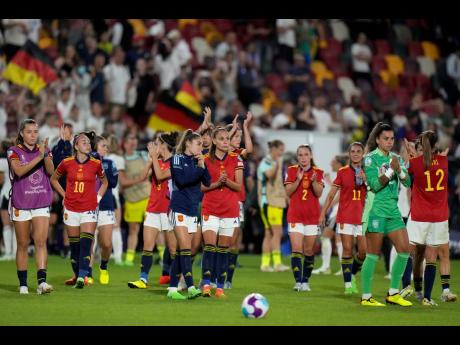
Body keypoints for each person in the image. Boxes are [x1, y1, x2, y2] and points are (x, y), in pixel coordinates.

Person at [360, 122, 412, 307]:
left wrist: (399, 170)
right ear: (377, 140)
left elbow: (407, 183)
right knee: (372, 254)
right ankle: (366, 296)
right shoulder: (369, 159)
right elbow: (375, 184)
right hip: (377, 212)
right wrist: (392, 170)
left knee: (405, 250)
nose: (390, 142)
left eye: (392, 139)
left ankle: (393, 293)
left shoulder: (395, 158)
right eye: (386, 139)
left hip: (393, 211)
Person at [403, 132, 456, 305]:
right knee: (432, 256)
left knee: (408, 252)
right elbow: (451, 183)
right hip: (438, 217)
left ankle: (404, 287)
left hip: (419, 215)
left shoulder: (415, 163)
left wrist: (411, 155)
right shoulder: (443, 162)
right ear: (435, 146)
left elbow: (405, 178)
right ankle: (426, 297)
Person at [50, 131, 108, 289]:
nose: (88, 144)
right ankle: (77, 275)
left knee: (85, 243)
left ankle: (83, 276)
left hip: (89, 208)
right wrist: (64, 195)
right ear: (75, 146)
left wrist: (97, 198)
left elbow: (105, 183)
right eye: (84, 142)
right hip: (71, 208)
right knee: (74, 247)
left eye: (89, 142)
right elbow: (53, 179)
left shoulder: (96, 163)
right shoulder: (66, 162)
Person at [7, 119, 55, 294]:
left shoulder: (44, 150)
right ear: (21, 133)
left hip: (41, 200)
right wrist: (39, 157)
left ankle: (42, 283)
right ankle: (23, 284)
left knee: (41, 242)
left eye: (35, 131)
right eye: (29, 132)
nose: (33, 135)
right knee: (22, 244)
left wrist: (46, 155)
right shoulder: (13, 151)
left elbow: (50, 172)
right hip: (21, 202)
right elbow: (19, 171)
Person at [128, 132, 178, 289]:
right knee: (147, 246)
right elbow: (143, 177)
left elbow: (161, 176)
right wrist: (150, 161)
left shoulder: (174, 162)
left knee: (173, 249)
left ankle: (180, 279)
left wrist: (153, 159)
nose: (154, 146)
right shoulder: (155, 160)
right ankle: (143, 279)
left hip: (169, 210)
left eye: (156, 143)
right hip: (153, 209)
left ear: (163, 145)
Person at [167, 130, 210, 300]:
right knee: (184, 248)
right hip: (179, 208)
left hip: (193, 210)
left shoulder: (197, 161)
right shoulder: (177, 159)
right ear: (188, 144)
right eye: (198, 143)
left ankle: (171, 289)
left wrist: (202, 165)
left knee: (183, 252)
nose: (201, 146)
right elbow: (182, 180)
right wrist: (199, 169)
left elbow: (207, 181)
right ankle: (191, 286)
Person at [319, 142, 367, 295]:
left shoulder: (368, 171)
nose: (355, 154)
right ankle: (348, 284)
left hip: (363, 217)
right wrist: (322, 213)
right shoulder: (343, 172)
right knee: (347, 249)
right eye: (352, 151)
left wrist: (367, 179)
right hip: (345, 216)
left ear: (362, 153)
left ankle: (351, 274)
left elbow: (377, 188)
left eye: (358, 151)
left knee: (363, 253)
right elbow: (332, 194)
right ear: (349, 153)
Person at [201, 127, 243, 298]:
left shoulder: (236, 159)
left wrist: (226, 182)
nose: (226, 141)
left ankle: (219, 288)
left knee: (223, 249)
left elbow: (238, 186)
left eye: (227, 138)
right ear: (214, 141)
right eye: (222, 139)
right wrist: (218, 183)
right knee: (210, 247)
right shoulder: (204, 159)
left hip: (229, 209)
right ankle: (205, 285)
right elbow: (202, 187)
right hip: (210, 208)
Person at [285, 144, 324, 292]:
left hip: (312, 217)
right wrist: (298, 180)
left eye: (306, 154)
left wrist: (313, 181)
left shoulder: (318, 172)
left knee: (308, 251)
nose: (303, 158)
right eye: (300, 155)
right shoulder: (291, 170)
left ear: (311, 156)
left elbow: (319, 193)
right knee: (296, 249)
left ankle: (306, 281)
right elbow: (288, 192)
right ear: (297, 157)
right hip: (295, 216)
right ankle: (298, 282)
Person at [225, 112, 253, 289]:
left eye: (240, 137)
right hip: (223, 200)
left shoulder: (238, 154)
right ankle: (213, 276)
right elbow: (220, 143)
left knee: (234, 242)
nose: (238, 139)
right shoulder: (221, 153)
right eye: (236, 136)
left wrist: (244, 127)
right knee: (223, 241)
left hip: (238, 202)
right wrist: (232, 129)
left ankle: (228, 279)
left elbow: (249, 150)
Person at [257, 140, 290, 272]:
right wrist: (277, 165)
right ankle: (276, 263)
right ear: (274, 149)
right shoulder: (266, 162)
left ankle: (266, 264)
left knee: (270, 233)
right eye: (280, 150)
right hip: (267, 201)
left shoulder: (273, 162)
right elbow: (269, 176)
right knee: (276, 232)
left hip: (275, 200)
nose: (282, 153)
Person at [313, 154, 348, 275]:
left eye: (333, 161)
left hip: (339, 211)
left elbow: (340, 195)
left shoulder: (344, 173)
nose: (331, 163)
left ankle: (328, 267)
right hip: (339, 211)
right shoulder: (344, 173)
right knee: (336, 239)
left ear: (339, 163)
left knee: (329, 237)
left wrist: (326, 206)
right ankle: (337, 268)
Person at [119, 132, 151, 266]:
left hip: (147, 196)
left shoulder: (143, 155)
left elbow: (151, 170)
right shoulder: (121, 160)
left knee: (154, 228)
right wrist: (140, 178)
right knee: (133, 230)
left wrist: (145, 175)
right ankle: (129, 259)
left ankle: (161, 257)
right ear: (125, 143)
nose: (133, 142)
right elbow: (123, 182)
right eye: (130, 139)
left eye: (135, 139)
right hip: (132, 199)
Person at [90, 135, 119, 285]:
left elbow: (113, 183)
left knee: (106, 243)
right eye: (103, 146)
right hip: (88, 206)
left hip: (106, 205)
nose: (106, 148)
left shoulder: (110, 163)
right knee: (89, 241)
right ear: (95, 147)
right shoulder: (87, 162)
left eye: (107, 146)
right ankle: (87, 273)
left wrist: (100, 167)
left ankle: (103, 266)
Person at [106, 135, 124, 265]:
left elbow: (120, 180)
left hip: (108, 194)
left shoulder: (112, 159)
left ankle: (116, 255)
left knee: (112, 226)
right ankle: (116, 256)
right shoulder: (118, 159)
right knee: (114, 226)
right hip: (111, 195)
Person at [0, 139, 15, 261]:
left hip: (6, 193)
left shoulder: (2, 162)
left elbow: (0, 180)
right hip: (17, 193)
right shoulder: (18, 160)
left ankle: (9, 252)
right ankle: (15, 252)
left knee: (6, 224)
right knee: (16, 224)